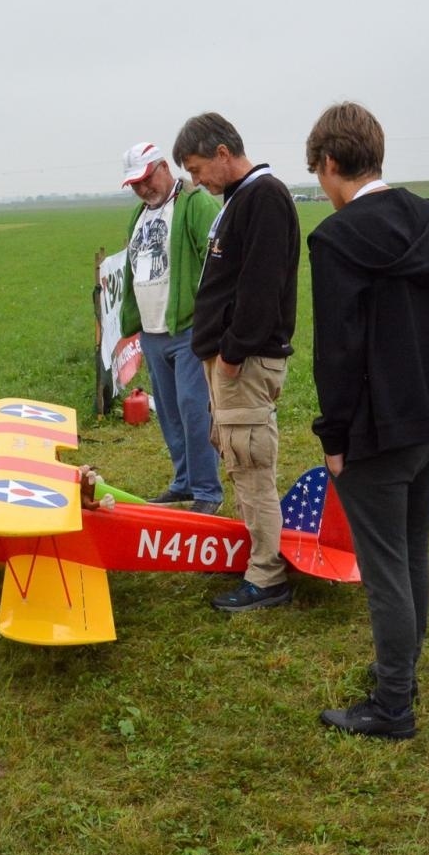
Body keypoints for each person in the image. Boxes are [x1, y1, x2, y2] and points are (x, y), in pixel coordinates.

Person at [304, 102, 429, 740]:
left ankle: (394, 704)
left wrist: (336, 439)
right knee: (412, 550)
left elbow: (337, 351)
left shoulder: (336, 239)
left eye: (318, 174)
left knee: (383, 568)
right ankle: (402, 669)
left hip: (378, 434)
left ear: (329, 163)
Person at [173, 112, 300, 612]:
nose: (197, 180)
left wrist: (231, 353)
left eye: (199, 167)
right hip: (228, 362)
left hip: (242, 363)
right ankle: (255, 553)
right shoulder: (237, 198)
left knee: (250, 462)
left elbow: (261, 288)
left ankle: (268, 577)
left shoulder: (264, 196)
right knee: (236, 459)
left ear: (224, 153)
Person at [117, 142, 224, 515]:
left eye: (147, 179)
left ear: (164, 167)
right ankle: (183, 482)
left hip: (189, 329)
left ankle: (208, 491)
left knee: (194, 408)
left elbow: (218, 266)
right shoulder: (138, 217)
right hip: (151, 330)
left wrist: (214, 321)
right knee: (168, 411)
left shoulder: (195, 205)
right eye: (135, 184)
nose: (144, 189)